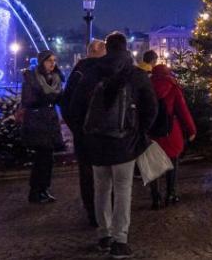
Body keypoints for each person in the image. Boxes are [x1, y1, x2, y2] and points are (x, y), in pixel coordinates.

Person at [70, 32, 157, 258]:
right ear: (126, 48)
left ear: (107, 48)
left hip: (96, 143)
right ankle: (120, 240)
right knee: (122, 189)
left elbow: (74, 108)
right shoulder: (136, 75)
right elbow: (151, 108)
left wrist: (84, 134)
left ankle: (104, 235)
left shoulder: (91, 73)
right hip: (124, 142)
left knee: (101, 189)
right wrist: (140, 131)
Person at [60, 39, 106, 226]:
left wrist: (77, 128)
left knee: (87, 174)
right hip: (103, 134)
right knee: (105, 173)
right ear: (97, 51)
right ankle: (104, 212)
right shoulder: (102, 72)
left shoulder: (77, 73)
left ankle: (92, 213)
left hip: (83, 134)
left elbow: (65, 104)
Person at [149, 62, 196, 209]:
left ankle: (155, 198)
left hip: (152, 132)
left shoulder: (147, 87)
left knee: (153, 166)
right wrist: (191, 129)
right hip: (170, 131)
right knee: (172, 163)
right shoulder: (173, 87)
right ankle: (171, 193)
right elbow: (183, 111)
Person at [21, 50, 65, 204]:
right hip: (37, 121)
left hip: (51, 121)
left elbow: (61, 98)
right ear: (41, 62)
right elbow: (27, 100)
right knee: (41, 157)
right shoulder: (31, 78)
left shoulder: (56, 79)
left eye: (54, 60)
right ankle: (36, 191)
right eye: (49, 61)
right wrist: (48, 98)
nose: (52, 63)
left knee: (47, 158)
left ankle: (44, 189)